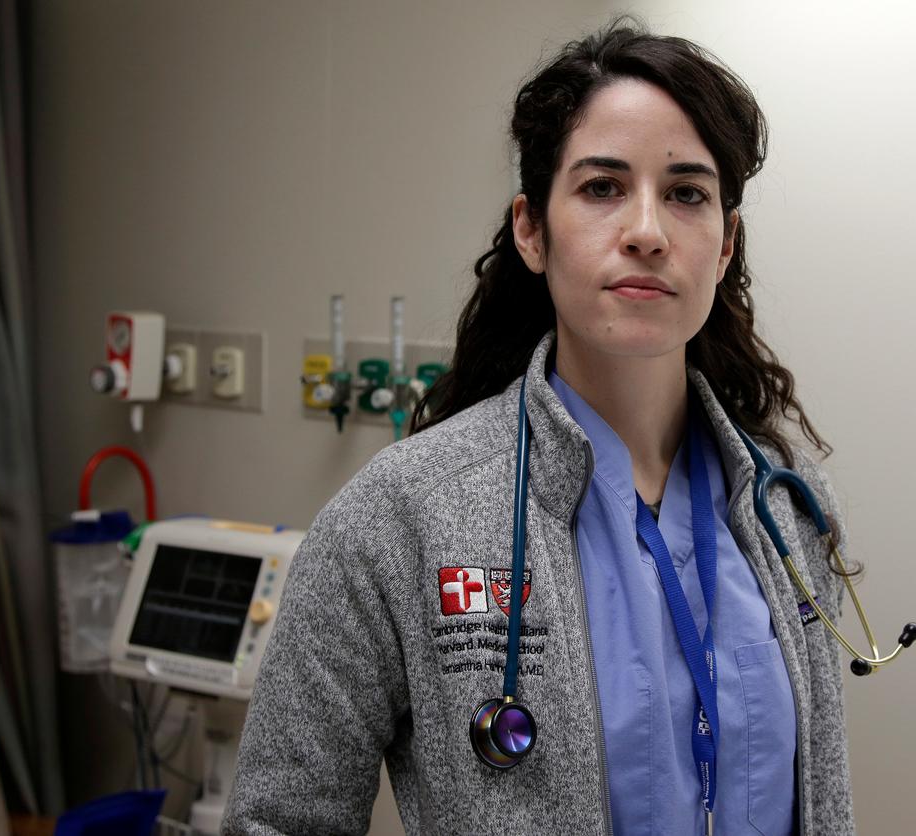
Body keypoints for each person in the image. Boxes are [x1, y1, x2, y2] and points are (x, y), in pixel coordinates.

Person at [224, 19, 855, 836]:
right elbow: (279, 819)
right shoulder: (402, 516)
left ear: (726, 243)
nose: (647, 231)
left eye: (688, 194)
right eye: (601, 187)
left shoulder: (788, 507)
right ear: (531, 228)